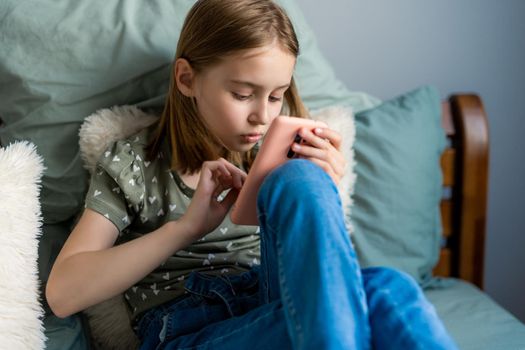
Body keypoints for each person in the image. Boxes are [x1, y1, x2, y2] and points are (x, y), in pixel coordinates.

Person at [46, 0, 458, 349]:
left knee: (389, 286)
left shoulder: (282, 149)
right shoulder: (134, 162)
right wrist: (185, 228)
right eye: (243, 94)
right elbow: (64, 294)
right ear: (187, 79)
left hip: (277, 301)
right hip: (189, 331)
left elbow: (317, 272)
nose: (262, 115)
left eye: (276, 96)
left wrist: (325, 194)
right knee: (386, 292)